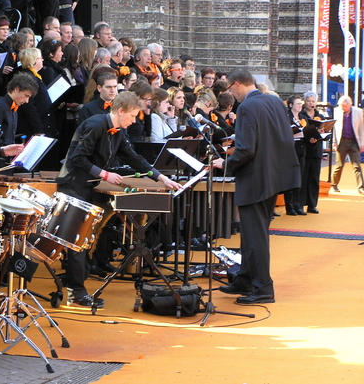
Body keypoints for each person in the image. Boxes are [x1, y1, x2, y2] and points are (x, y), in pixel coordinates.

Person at [56, 92, 182, 307]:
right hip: (73, 185)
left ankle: (76, 285)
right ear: (120, 111)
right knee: (78, 241)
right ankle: (76, 292)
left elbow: (133, 157)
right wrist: (105, 174)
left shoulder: (118, 131)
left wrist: (160, 178)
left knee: (87, 240)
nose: (134, 121)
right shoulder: (95, 125)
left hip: (91, 186)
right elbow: (77, 158)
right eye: (132, 116)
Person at [213, 68, 300, 304]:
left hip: (255, 177)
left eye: (230, 89)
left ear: (237, 84)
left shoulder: (248, 107)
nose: (232, 95)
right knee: (251, 232)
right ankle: (245, 278)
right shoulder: (274, 101)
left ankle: (263, 287)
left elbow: (246, 149)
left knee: (255, 234)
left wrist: (225, 162)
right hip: (273, 175)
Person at [331, 95, 364, 194]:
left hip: (354, 141)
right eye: (341, 106)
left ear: (350, 104)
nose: (342, 108)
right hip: (341, 141)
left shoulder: (358, 112)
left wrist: (362, 144)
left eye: (344, 106)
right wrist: (334, 142)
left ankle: (361, 187)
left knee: (357, 165)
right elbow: (333, 128)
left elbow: (361, 129)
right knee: (339, 165)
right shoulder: (336, 111)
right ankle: (334, 185)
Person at [299, 91, 324, 213]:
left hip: (317, 150)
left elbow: (327, 134)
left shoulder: (320, 115)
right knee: (304, 177)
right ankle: (300, 203)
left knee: (314, 178)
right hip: (305, 149)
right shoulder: (301, 115)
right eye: (309, 101)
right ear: (305, 101)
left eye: (313, 101)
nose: (311, 103)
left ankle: (312, 204)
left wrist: (322, 133)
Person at [284, 96, 308, 216]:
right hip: (290, 149)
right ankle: (290, 206)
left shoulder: (303, 117)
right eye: (297, 103)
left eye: (300, 104)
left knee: (300, 178)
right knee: (290, 178)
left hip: (301, 149)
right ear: (291, 105)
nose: (300, 105)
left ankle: (298, 205)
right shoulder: (286, 118)